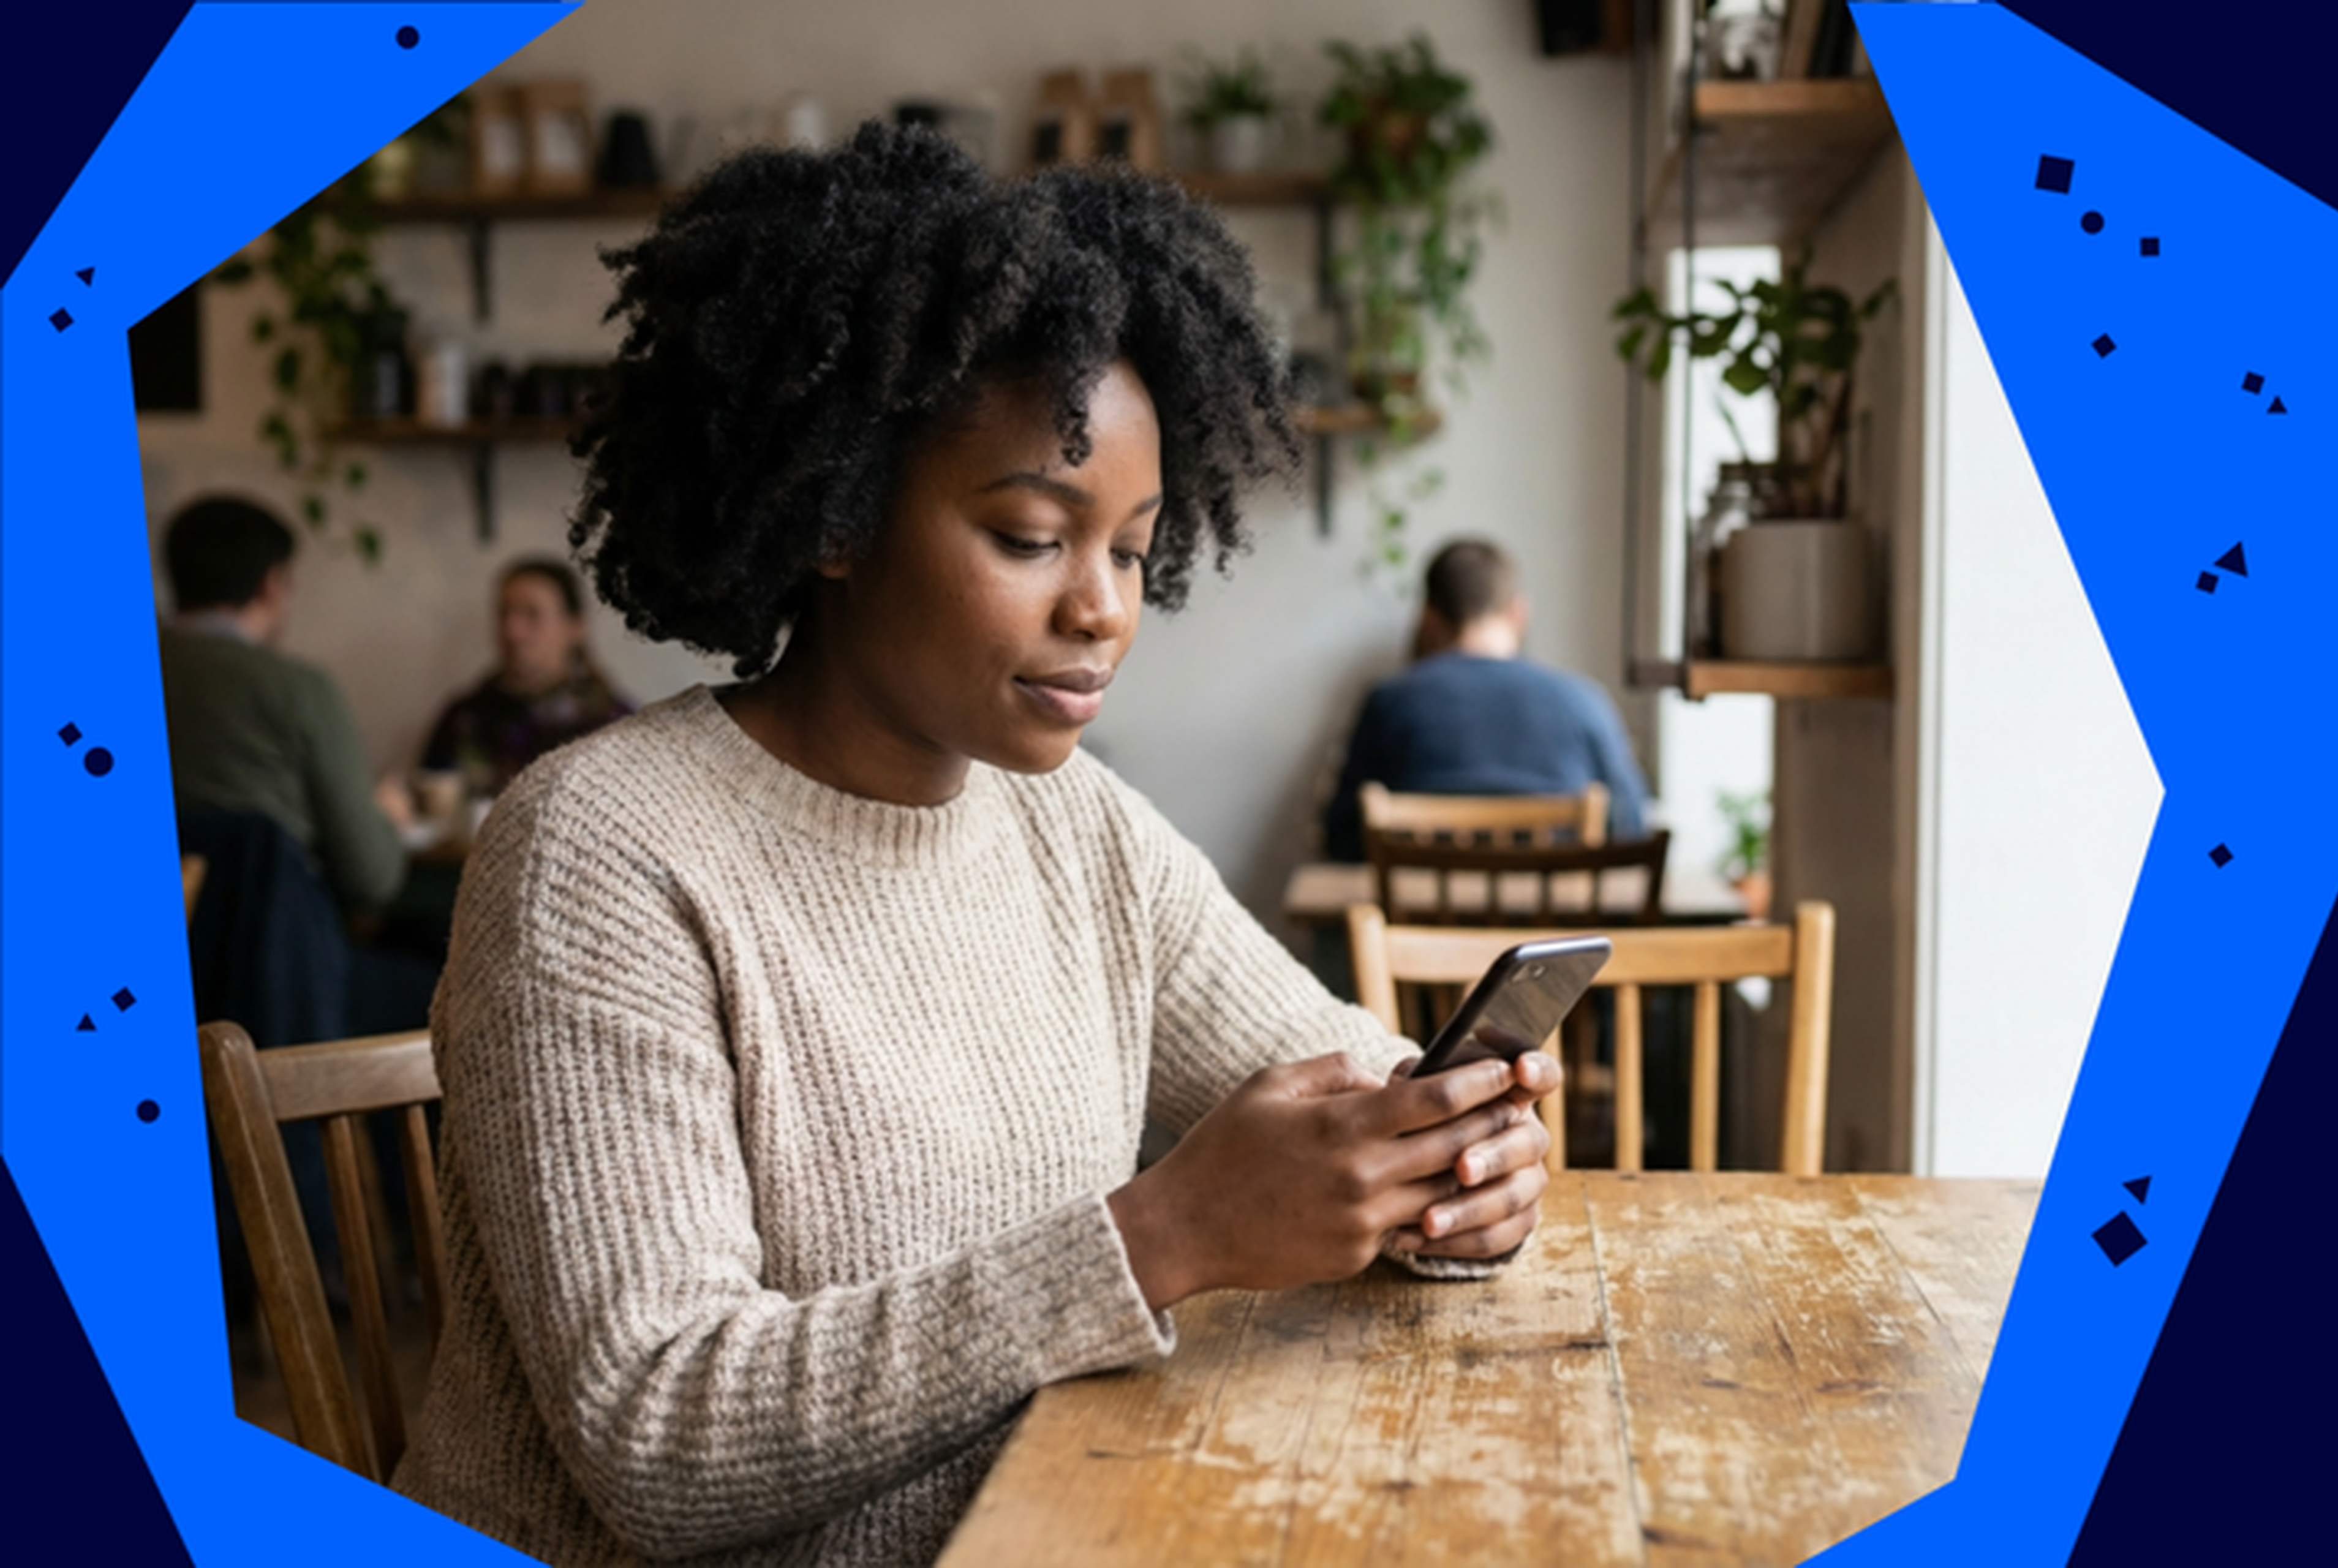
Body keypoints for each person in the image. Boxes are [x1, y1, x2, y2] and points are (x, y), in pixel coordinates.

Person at [391, 124, 1560, 1566]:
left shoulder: (1075, 823)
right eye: (1028, 535)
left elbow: (1336, 1067)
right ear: (835, 515)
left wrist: (1450, 1160)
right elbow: (661, 1432)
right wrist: (1160, 1236)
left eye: (1130, 548)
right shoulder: (598, 851)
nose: (1105, 608)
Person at [1321, 538, 1654, 861]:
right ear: (1519, 612)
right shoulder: (1584, 703)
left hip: (1420, 918)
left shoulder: (1390, 702)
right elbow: (1630, 829)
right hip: (1559, 917)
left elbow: (1343, 837)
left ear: (1428, 617)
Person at [158, 496, 409, 916]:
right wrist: (386, 818)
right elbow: (373, 876)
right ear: (272, 583)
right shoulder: (298, 690)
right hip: (277, 957)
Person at [418, 556, 635, 801]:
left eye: (532, 615)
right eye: (505, 613)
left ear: (575, 627)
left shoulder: (612, 725)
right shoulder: (465, 718)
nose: (513, 631)